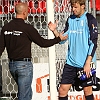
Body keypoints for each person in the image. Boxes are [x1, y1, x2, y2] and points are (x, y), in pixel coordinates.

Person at [0, 2, 67, 100]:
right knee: (24, 96)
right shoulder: (27, 28)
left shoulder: (6, 28)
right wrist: (58, 39)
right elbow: (42, 43)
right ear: (24, 12)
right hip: (24, 65)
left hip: (12, 66)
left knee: (27, 93)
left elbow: (1, 48)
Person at [48, 0, 98, 100]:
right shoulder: (70, 19)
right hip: (71, 62)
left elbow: (93, 43)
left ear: (83, 6)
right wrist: (55, 31)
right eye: (72, 7)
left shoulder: (90, 19)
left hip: (85, 63)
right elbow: (62, 39)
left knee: (87, 90)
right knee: (62, 90)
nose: (73, 9)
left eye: (75, 7)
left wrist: (88, 62)